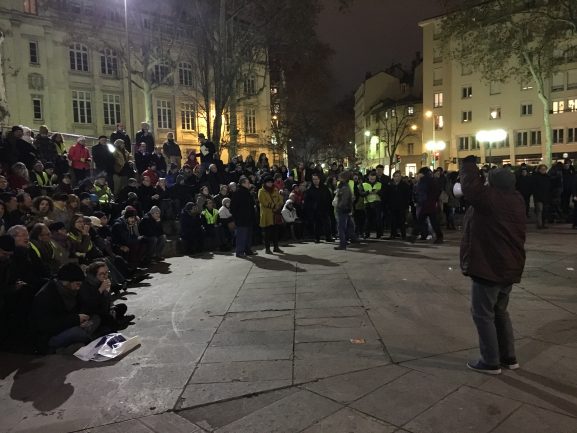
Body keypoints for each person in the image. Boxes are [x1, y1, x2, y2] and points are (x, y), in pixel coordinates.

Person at [459, 155, 526, 375]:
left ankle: (490, 360)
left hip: (490, 264)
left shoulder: (490, 199)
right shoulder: (516, 199)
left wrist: (469, 165)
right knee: (500, 312)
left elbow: (470, 188)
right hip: (509, 265)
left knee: (482, 313)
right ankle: (509, 357)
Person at [31, 263, 101, 353]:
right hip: (50, 336)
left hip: (69, 326)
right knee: (77, 332)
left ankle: (76, 345)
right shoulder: (45, 296)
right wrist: (75, 320)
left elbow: (83, 308)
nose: (79, 287)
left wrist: (81, 320)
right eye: (77, 284)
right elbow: (46, 326)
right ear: (66, 282)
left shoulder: (71, 290)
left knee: (96, 318)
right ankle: (62, 348)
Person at [79, 261, 134, 332]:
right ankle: (118, 322)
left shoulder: (103, 281)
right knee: (105, 319)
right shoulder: (86, 285)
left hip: (104, 309)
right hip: (93, 314)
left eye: (107, 272)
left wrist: (111, 307)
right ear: (94, 274)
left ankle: (117, 321)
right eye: (102, 274)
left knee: (122, 307)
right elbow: (90, 305)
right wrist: (100, 290)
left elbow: (107, 302)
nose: (105, 275)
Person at [409, 167, 443, 244]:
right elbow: (438, 191)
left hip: (425, 204)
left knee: (420, 221)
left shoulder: (424, 181)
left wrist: (420, 201)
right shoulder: (433, 180)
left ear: (422, 174)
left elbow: (421, 192)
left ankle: (413, 236)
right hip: (431, 204)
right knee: (433, 221)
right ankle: (439, 237)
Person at [230, 176, 257, 258]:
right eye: (247, 182)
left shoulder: (248, 192)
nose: (249, 184)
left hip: (249, 218)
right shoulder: (237, 193)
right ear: (243, 183)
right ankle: (239, 252)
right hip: (241, 219)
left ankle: (247, 250)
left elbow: (251, 205)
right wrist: (236, 217)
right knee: (241, 236)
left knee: (248, 236)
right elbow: (233, 207)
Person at [304, 173, 333, 243]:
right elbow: (307, 201)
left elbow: (329, 198)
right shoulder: (310, 190)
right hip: (315, 211)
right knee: (317, 225)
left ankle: (328, 237)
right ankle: (317, 238)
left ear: (319, 179)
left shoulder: (324, 188)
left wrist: (329, 207)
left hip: (324, 209)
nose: (315, 181)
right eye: (313, 179)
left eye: (316, 179)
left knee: (327, 224)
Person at [258, 175, 284, 254]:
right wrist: (274, 206)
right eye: (268, 182)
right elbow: (263, 201)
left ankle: (276, 247)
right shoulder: (261, 191)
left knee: (275, 232)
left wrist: (279, 205)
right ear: (265, 183)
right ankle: (267, 248)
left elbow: (280, 199)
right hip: (267, 215)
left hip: (275, 214)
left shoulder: (275, 190)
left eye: (271, 182)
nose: (270, 184)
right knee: (267, 234)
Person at [385, 170, 411, 240]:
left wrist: (406, 205)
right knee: (393, 221)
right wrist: (388, 204)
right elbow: (387, 196)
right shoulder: (390, 185)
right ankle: (393, 234)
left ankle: (403, 235)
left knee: (402, 221)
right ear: (393, 177)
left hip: (401, 206)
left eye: (398, 176)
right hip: (392, 206)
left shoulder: (405, 185)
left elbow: (407, 196)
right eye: (395, 176)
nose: (397, 178)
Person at [334, 172, 354, 250]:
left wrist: (339, 206)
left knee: (341, 227)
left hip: (343, 209)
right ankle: (349, 240)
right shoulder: (344, 185)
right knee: (348, 225)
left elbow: (344, 200)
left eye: (340, 176)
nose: (339, 178)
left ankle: (342, 244)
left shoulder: (345, 187)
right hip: (346, 208)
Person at [362, 171, 383, 239]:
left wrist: (378, 192)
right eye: (371, 179)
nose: (372, 180)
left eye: (374, 179)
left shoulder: (379, 184)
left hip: (377, 203)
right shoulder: (364, 184)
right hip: (367, 203)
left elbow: (383, 193)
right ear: (368, 177)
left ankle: (378, 234)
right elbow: (361, 194)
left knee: (378, 219)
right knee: (368, 220)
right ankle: (367, 234)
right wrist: (368, 192)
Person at [532, 164, 551, 229]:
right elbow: (534, 187)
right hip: (538, 197)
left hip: (546, 196)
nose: (543, 170)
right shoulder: (535, 177)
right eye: (542, 169)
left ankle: (544, 224)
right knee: (539, 210)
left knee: (545, 211)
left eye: (544, 169)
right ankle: (539, 224)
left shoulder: (547, 177)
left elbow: (549, 187)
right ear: (539, 169)